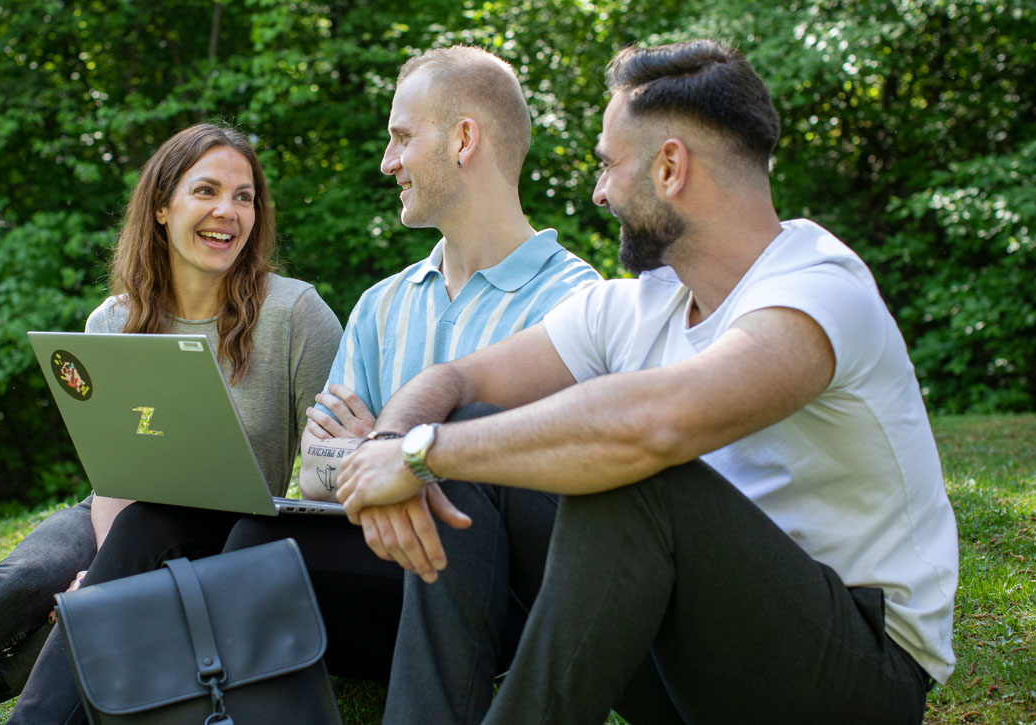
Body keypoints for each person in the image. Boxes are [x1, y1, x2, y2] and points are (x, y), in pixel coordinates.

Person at [336, 39, 958, 724]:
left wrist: (421, 453)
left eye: (607, 164)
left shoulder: (817, 288)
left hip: (856, 679)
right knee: (473, 441)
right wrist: (395, 443)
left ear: (669, 167)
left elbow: (651, 427)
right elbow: (455, 376)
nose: (599, 191)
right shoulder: (638, 305)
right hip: (704, 662)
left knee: (633, 479)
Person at [0, 122, 341, 725]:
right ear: (161, 206)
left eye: (244, 196)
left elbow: (330, 463)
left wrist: (103, 590)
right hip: (115, 509)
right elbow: (115, 472)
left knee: (87, 612)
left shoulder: (296, 313)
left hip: (231, 536)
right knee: (24, 580)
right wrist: (105, 568)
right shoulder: (113, 320)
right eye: (205, 191)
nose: (227, 212)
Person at [219, 42, 600, 718]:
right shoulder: (382, 303)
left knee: (461, 464)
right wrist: (381, 458)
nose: (387, 161)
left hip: (502, 596)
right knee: (253, 549)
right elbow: (317, 474)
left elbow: (529, 482)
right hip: (380, 573)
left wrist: (397, 451)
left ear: (463, 140)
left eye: (401, 138)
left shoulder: (576, 301)